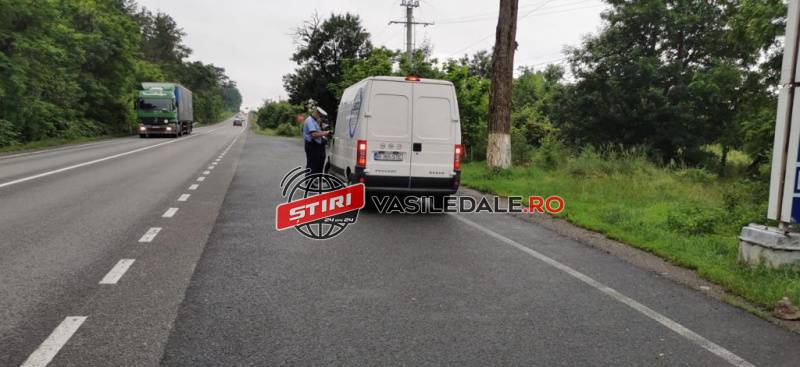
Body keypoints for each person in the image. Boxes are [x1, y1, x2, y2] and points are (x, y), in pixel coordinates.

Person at [303, 107, 330, 175]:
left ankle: (315, 180)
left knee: (317, 166)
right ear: (316, 113)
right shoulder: (310, 121)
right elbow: (314, 134)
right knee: (312, 166)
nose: (320, 117)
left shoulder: (314, 121)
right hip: (312, 145)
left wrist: (322, 130)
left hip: (316, 145)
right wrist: (325, 133)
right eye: (320, 115)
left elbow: (318, 132)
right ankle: (309, 180)